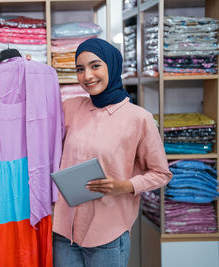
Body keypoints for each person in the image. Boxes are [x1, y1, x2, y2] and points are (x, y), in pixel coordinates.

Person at [51, 38, 173, 267]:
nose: (87, 76)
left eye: (95, 66)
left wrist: (124, 186)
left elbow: (161, 173)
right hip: (65, 230)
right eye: (80, 69)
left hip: (107, 233)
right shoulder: (70, 108)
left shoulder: (139, 118)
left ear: (112, 65)